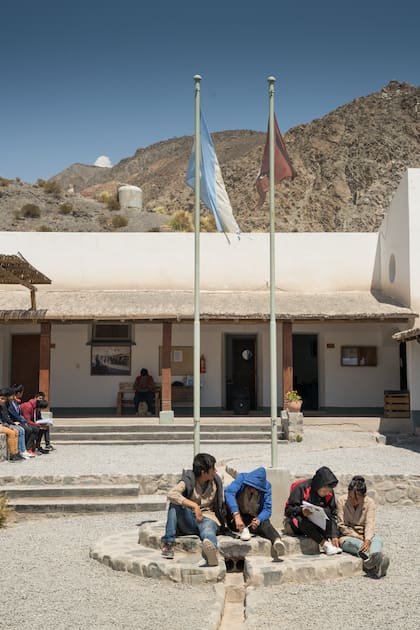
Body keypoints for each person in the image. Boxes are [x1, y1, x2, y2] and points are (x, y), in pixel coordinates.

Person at [160, 453, 225, 566]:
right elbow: (172, 494)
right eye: (213, 468)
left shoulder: (216, 482)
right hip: (190, 519)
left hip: (208, 518)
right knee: (174, 504)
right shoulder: (189, 479)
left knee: (208, 530)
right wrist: (194, 506)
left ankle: (211, 551)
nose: (215, 471)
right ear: (203, 472)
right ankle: (168, 543)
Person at [225, 467, 285, 560]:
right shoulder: (242, 478)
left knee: (265, 523)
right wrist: (236, 515)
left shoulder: (267, 487)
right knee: (231, 514)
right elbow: (229, 492)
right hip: (237, 514)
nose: (252, 490)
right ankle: (243, 529)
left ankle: (277, 540)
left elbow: (267, 509)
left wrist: (259, 519)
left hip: (253, 516)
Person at [337, 475, 390, 578]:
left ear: (364, 495)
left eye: (357, 499)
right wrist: (358, 537)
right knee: (358, 544)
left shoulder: (370, 502)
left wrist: (368, 539)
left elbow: (370, 523)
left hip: (365, 534)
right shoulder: (341, 501)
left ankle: (374, 558)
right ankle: (376, 562)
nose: (353, 500)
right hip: (348, 536)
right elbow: (341, 525)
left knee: (377, 539)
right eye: (350, 497)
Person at [284, 466, 342, 555]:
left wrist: (334, 534)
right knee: (300, 519)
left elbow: (332, 513)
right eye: (324, 491)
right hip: (298, 523)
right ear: (318, 485)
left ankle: (331, 542)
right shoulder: (301, 488)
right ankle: (324, 544)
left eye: (328, 491)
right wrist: (301, 511)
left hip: (317, 521)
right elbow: (288, 510)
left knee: (327, 512)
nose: (326, 493)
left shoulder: (329, 493)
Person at [0, 389, 20, 462]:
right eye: (2, 399)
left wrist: (6, 425)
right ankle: (12, 455)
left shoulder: (2, 407)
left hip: (2, 425)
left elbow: (3, 419)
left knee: (15, 431)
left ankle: (16, 452)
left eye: (4, 399)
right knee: (11, 433)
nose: (3, 401)